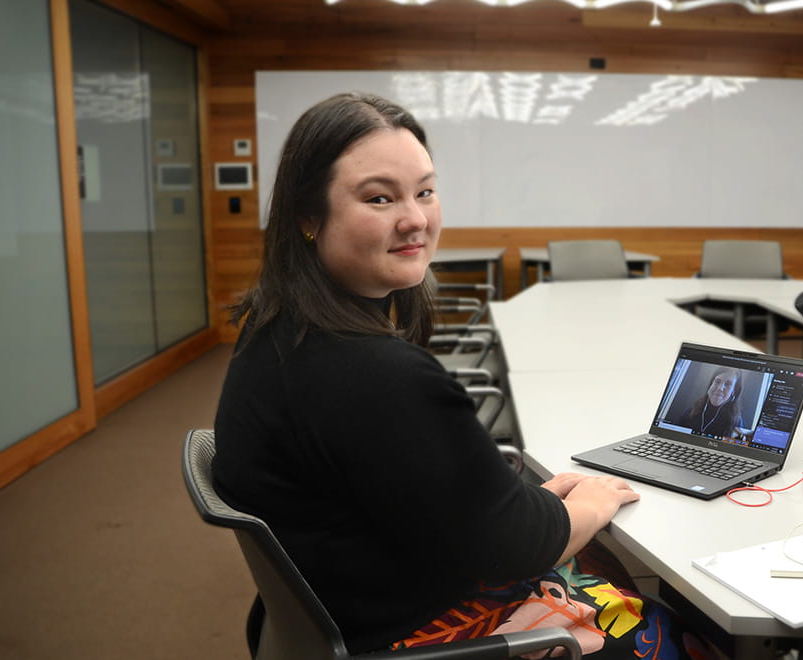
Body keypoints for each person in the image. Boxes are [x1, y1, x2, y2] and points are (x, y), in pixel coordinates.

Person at [211, 93, 719, 659]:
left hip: (358, 606)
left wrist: (525, 504)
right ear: (308, 216)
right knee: (675, 628)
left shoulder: (276, 333)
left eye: (424, 191)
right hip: (417, 636)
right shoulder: (373, 374)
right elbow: (516, 551)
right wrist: (591, 503)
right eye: (380, 198)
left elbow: (421, 496)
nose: (416, 219)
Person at [671, 368, 746, 441]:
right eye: (717, 381)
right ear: (711, 385)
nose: (720, 388)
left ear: (734, 392)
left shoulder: (736, 421)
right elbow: (673, 436)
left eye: (728, 384)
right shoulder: (692, 410)